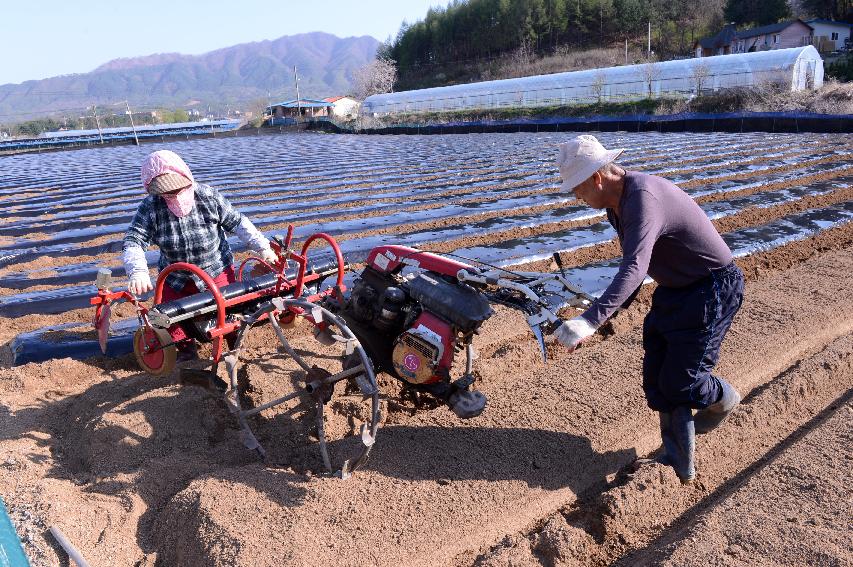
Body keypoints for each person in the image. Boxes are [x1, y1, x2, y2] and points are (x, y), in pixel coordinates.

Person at [553, 135, 744, 484]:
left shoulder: (642, 199)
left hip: (711, 288)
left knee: (683, 381)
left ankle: (724, 399)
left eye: (577, 189)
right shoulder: (616, 204)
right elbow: (640, 263)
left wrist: (589, 321)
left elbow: (635, 267)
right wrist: (609, 308)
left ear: (597, 177)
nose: (575, 197)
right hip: (676, 289)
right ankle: (677, 458)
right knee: (658, 375)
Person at [123, 149, 278, 361]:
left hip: (216, 269)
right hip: (176, 277)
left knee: (230, 310)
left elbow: (238, 223)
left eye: (178, 188)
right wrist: (138, 271)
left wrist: (263, 247)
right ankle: (186, 352)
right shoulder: (151, 207)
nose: (175, 195)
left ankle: (236, 347)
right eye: (168, 193)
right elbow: (134, 239)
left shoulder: (208, 197)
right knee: (172, 316)